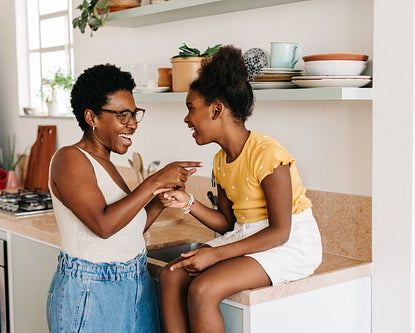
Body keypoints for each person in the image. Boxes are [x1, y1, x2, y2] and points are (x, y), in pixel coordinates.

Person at [156, 45, 322, 333]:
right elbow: (228, 223)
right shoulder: (220, 161)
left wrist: (216, 254)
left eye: (190, 109)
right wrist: (187, 202)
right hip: (249, 235)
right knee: (172, 274)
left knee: (204, 289)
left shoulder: (268, 154)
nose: (186, 119)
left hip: (291, 243)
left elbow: (280, 232)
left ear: (217, 109)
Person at [46, 64, 202, 333]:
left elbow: (127, 229)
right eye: (123, 115)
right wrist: (154, 181)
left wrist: (159, 197)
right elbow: (103, 225)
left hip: (135, 285)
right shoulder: (69, 159)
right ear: (91, 117)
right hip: (91, 291)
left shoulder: (106, 163)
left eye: (134, 114)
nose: (132, 124)